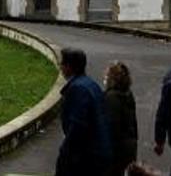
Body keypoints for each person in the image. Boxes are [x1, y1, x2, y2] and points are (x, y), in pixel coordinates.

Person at [55, 47, 112, 176]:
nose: (61, 67)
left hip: (86, 157)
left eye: (62, 64)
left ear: (69, 66)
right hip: (99, 153)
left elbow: (77, 125)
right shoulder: (91, 85)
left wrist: (65, 152)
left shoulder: (77, 89)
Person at [104, 61, 138, 176]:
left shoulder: (111, 97)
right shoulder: (128, 93)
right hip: (130, 144)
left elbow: (111, 126)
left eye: (107, 75)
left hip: (118, 148)